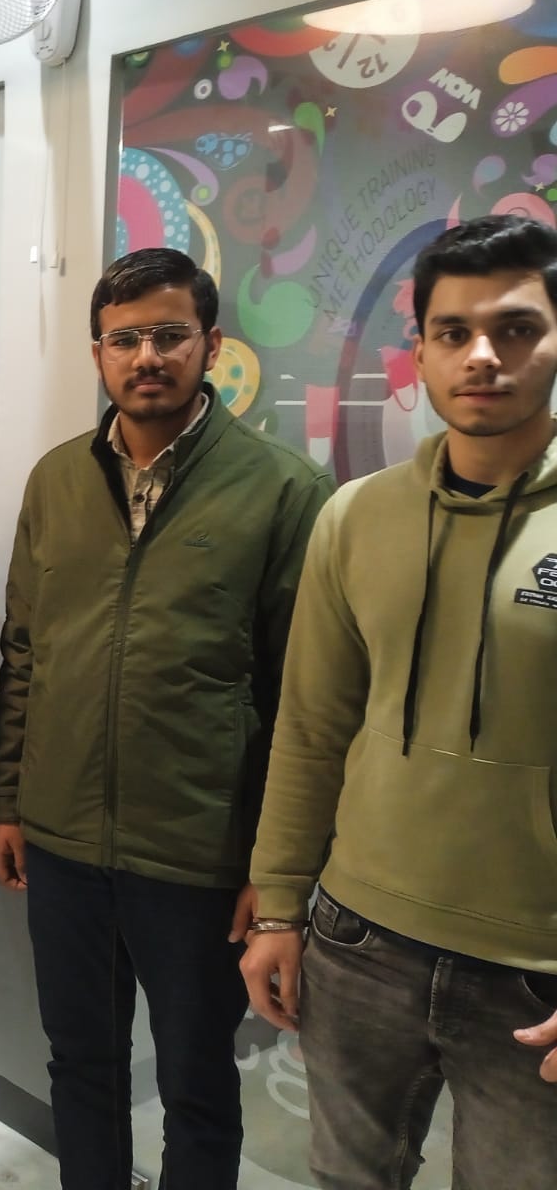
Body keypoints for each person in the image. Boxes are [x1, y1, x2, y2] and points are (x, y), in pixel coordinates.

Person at [0, 247, 331, 1190]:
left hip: (198, 854)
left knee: (196, 1084)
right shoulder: (58, 480)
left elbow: (303, 703)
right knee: (81, 1067)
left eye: (170, 335)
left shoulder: (283, 490)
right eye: (124, 338)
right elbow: (25, 653)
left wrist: (274, 869)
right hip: (62, 843)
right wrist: (8, 800)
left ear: (210, 345)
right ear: (98, 352)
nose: (147, 356)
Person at [241, 215, 557, 1188]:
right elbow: (310, 728)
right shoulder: (356, 516)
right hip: (357, 940)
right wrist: (278, 908)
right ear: (418, 353)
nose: (482, 356)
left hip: (535, 971)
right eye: (454, 332)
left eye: (515, 329)